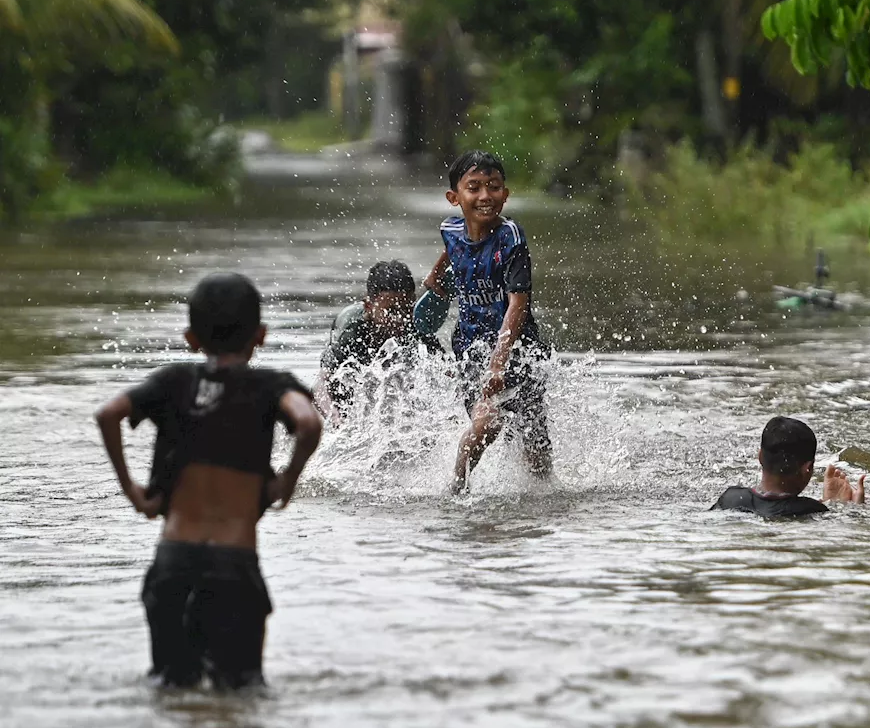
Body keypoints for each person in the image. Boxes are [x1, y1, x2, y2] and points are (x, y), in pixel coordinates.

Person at [94, 272, 322, 690]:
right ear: (261, 336)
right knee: (241, 696)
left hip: (173, 562)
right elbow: (308, 422)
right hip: (233, 565)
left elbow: (108, 413)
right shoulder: (272, 387)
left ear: (190, 338)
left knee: (170, 690)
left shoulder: (173, 382)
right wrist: (287, 481)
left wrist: (132, 493)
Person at [422, 150, 552, 493]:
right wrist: (435, 277)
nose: (485, 196)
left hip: (519, 350)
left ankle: (538, 500)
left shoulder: (511, 238)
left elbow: (518, 304)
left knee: (536, 452)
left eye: (493, 187)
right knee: (487, 422)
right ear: (454, 198)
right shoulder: (449, 228)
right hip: (470, 347)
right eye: (474, 187)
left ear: (505, 194)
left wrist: (498, 365)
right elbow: (453, 245)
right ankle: (457, 486)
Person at [315, 259, 444, 418]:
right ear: (369, 306)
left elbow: (445, 369)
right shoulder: (353, 333)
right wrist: (335, 417)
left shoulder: (415, 325)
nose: (401, 319)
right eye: (391, 311)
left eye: (407, 309)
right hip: (352, 374)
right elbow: (320, 387)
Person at [712, 416, 866, 518]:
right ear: (807, 468)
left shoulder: (730, 497)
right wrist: (846, 507)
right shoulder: (808, 509)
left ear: (759, 457)